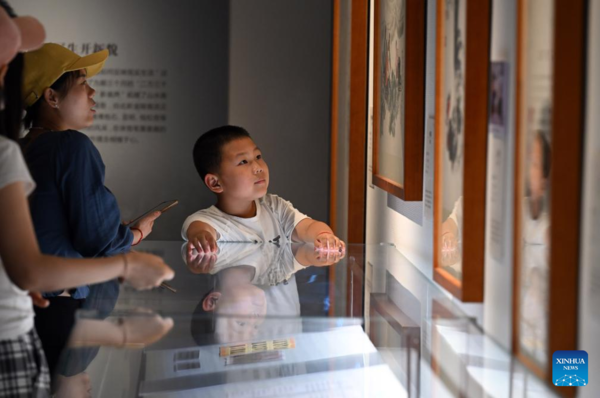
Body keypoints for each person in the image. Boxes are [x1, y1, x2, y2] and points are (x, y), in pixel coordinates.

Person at [0, 3, 174, 396]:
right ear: (52, 97)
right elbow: (96, 238)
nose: (92, 91)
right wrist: (134, 237)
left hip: (31, 308)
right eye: (81, 82)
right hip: (62, 307)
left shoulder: (24, 146)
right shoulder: (71, 147)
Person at [182, 125, 345, 255]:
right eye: (243, 162)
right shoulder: (207, 221)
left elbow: (307, 227)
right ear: (215, 183)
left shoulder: (275, 207)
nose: (258, 167)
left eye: (258, 157)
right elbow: (199, 230)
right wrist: (201, 238)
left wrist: (323, 236)